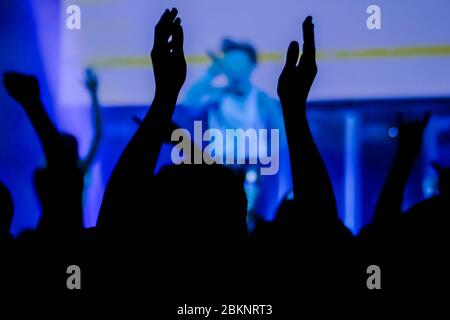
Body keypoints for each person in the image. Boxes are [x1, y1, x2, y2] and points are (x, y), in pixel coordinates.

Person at [181, 38, 292, 225]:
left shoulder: (261, 99)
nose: (235, 69)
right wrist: (211, 74)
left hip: (251, 168)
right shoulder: (218, 95)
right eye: (230, 63)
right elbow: (189, 102)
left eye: (240, 63)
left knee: (245, 217)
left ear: (252, 66)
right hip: (219, 167)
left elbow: (282, 134)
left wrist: (268, 157)